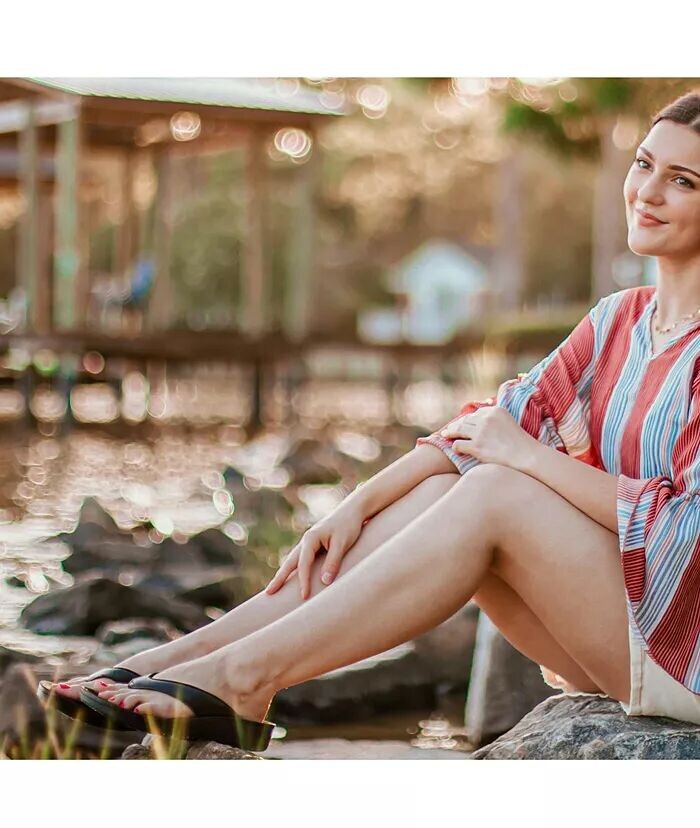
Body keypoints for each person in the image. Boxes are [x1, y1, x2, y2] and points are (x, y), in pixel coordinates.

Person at [44, 90, 700, 748]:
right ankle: (186, 655)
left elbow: (684, 525)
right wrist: (356, 506)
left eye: (682, 181)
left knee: (498, 489)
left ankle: (243, 677)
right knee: (446, 484)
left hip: (685, 650)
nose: (647, 192)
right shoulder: (618, 320)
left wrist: (528, 458)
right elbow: (489, 425)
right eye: (644, 164)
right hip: (616, 626)